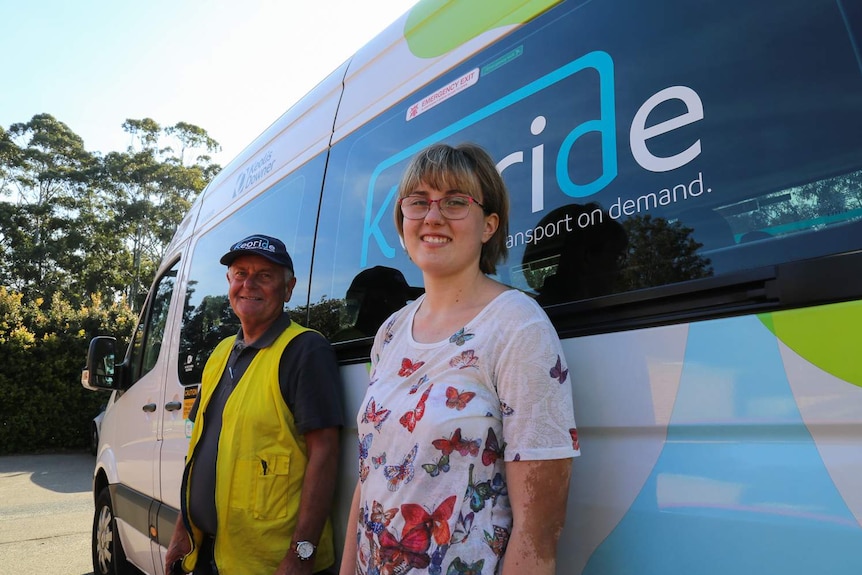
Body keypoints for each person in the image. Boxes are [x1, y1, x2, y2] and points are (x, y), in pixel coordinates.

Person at [340, 144, 579, 575]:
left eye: (454, 201)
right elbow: (369, 475)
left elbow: (538, 531)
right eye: (418, 202)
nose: (432, 217)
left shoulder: (518, 327)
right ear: (402, 222)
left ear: (489, 225)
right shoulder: (390, 331)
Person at [166, 234, 343, 575]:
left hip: (272, 564)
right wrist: (182, 530)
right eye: (240, 273)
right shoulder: (219, 354)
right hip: (209, 554)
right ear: (229, 282)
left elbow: (326, 452)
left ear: (288, 289)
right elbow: (200, 451)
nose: (249, 284)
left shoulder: (305, 350)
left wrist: (302, 553)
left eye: (265, 275)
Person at [332, 266, 424, 342]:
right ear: (371, 304)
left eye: (405, 301)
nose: (405, 307)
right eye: (399, 301)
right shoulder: (351, 342)